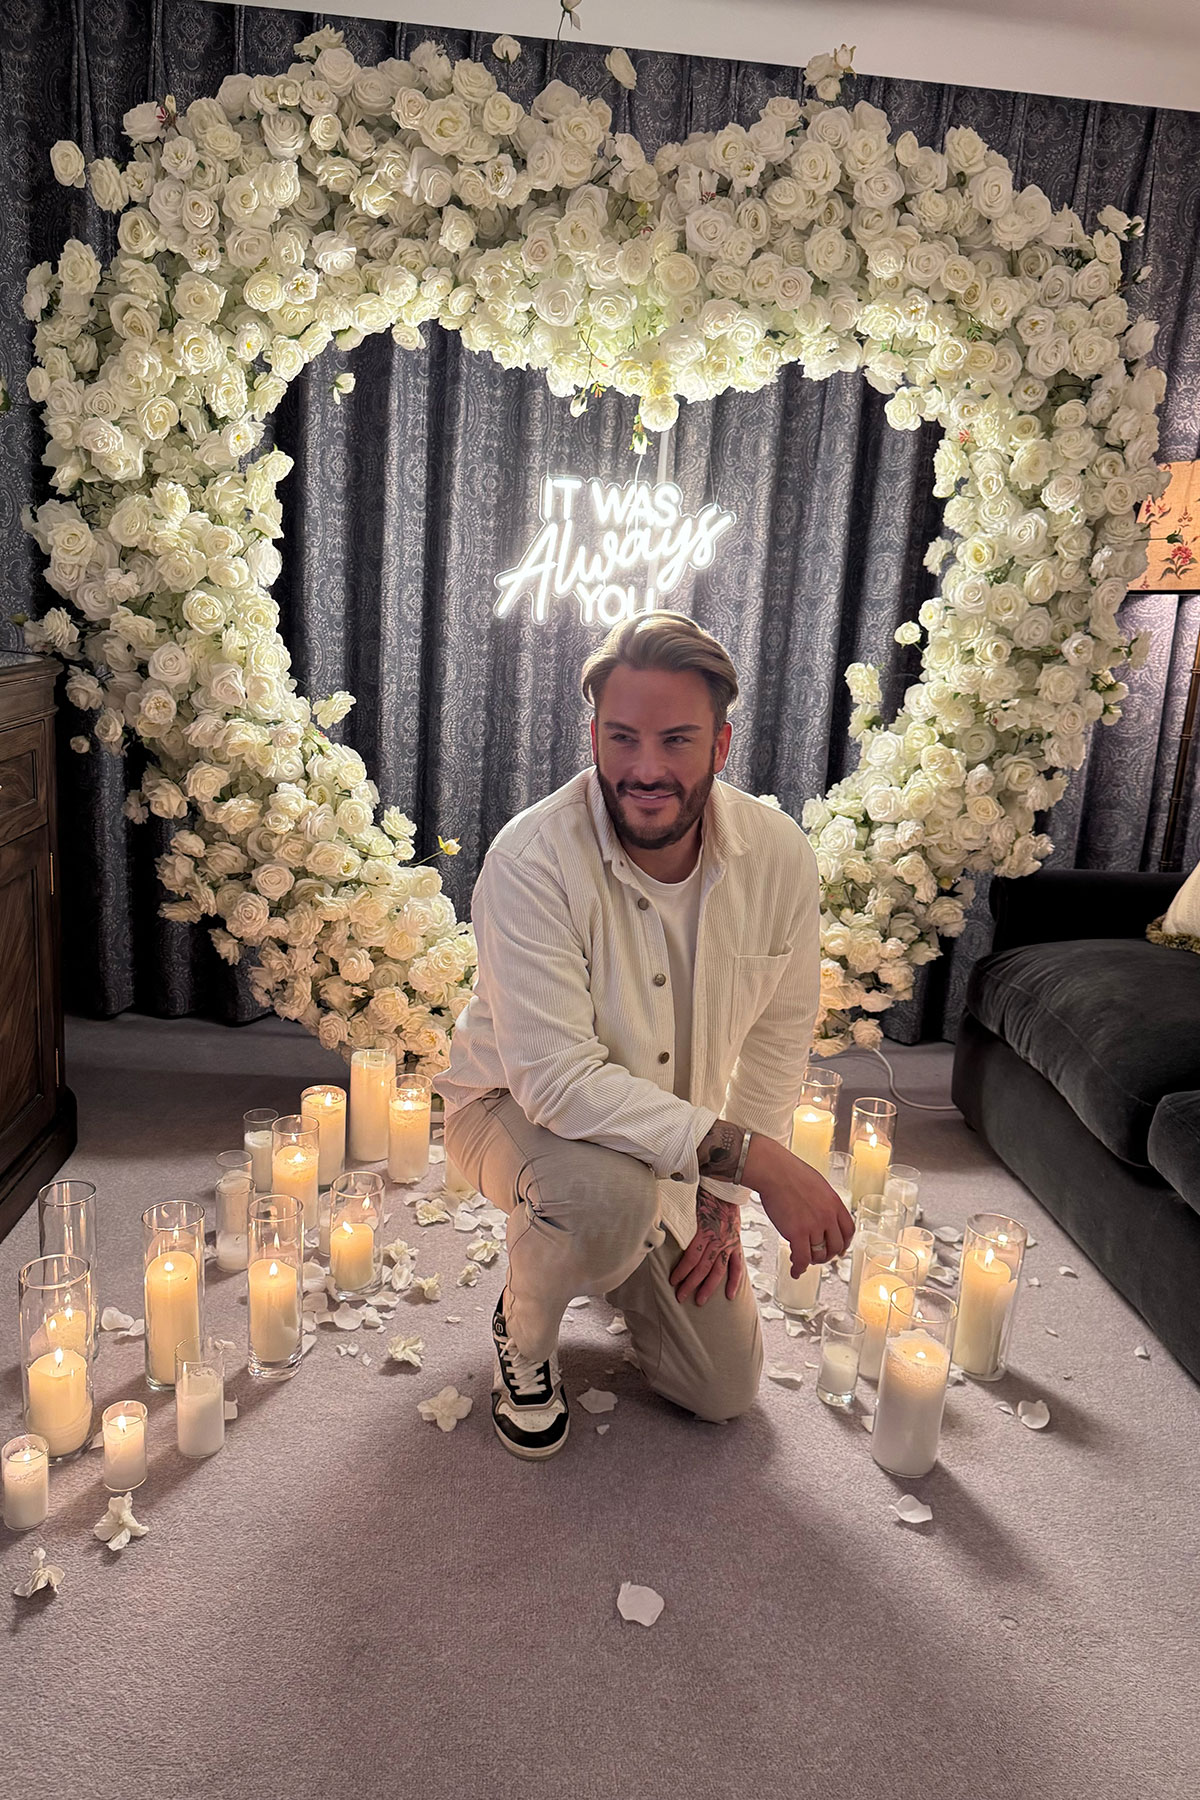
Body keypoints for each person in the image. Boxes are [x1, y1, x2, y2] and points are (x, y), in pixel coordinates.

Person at [436, 611, 853, 1459]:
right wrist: (756, 1160)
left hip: (674, 1142)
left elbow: (776, 1039)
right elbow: (554, 1080)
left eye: (676, 739)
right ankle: (529, 1322)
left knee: (723, 1390)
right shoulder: (531, 858)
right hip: (508, 1107)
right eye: (622, 738)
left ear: (721, 745)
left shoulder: (780, 856)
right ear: (593, 734)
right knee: (603, 1201)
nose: (646, 768)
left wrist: (722, 1202)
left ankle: (599, 1246)